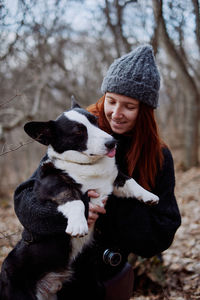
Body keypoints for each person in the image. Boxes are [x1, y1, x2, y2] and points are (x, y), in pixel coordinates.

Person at [14, 45, 181, 300]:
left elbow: (161, 234)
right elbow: (25, 199)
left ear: (145, 111)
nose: (116, 113)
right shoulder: (76, 130)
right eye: (111, 101)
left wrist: (112, 199)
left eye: (129, 106)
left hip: (101, 276)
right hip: (45, 270)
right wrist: (71, 212)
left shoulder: (157, 156)